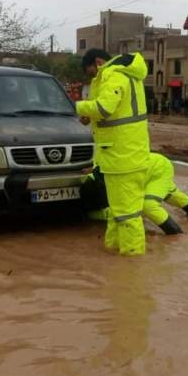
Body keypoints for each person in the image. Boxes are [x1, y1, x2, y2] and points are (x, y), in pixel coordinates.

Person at [77, 48, 150, 256]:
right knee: (117, 213)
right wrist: (90, 116)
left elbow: (104, 108)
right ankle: (114, 257)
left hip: (123, 158)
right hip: (122, 156)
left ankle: (131, 264)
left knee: (127, 215)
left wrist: (76, 107)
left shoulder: (114, 74)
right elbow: (113, 112)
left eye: (91, 72)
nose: (92, 77)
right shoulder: (128, 76)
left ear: (99, 62)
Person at [80, 152, 188, 234]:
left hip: (158, 169)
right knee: (172, 195)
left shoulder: (106, 185)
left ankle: (177, 235)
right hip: (154, 167)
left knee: (149, 205)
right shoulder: (100, 174)